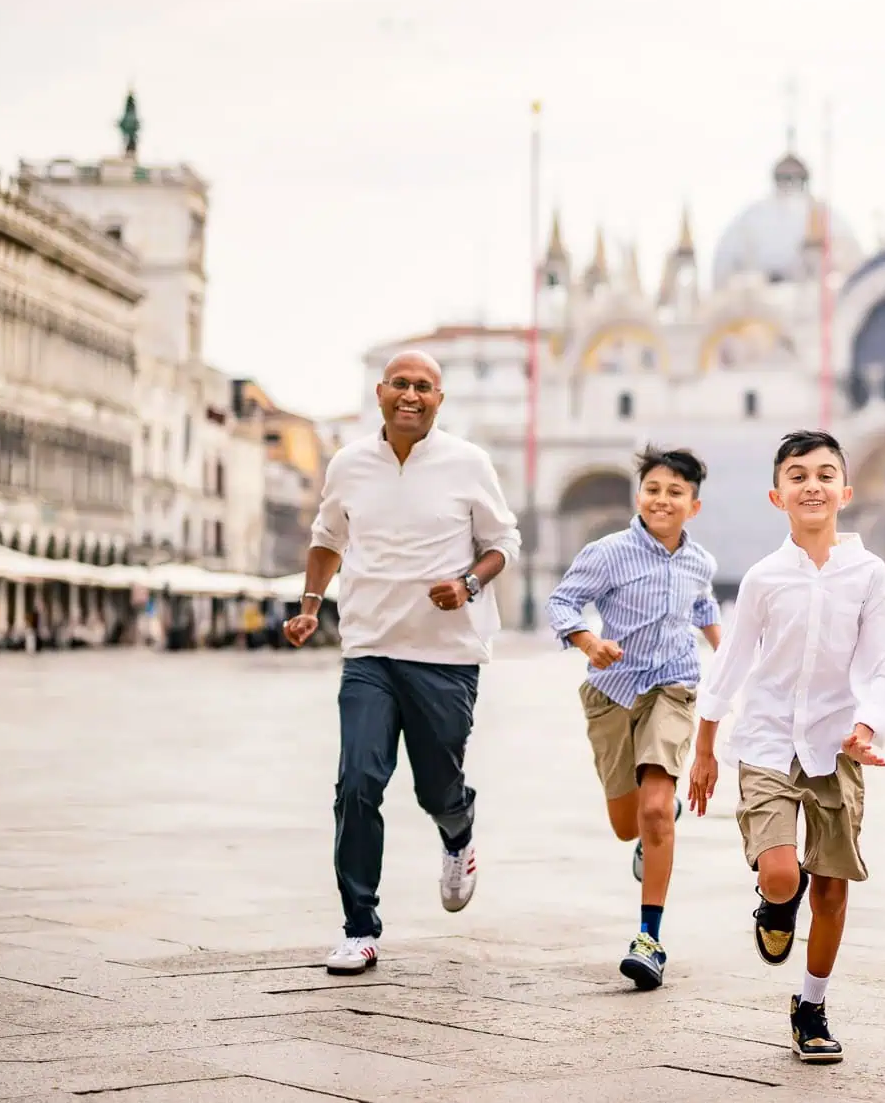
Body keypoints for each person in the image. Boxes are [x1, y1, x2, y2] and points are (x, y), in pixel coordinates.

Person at [285, 350, 521, 977]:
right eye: (400, 385)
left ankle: (457, 830)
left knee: (434, 786)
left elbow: (503, 543)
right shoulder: (348, 463)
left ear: (440, 400)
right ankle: (359, 927)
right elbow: (327, 538)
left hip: (446, 656)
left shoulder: (469, 463)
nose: (411, 395)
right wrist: (311, 606)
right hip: (368, 650)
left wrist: (468, 584)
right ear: (381, 392)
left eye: (424, 387)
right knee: (357, 783)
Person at [690, 430, 885, 1065]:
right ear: (777, 495)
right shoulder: (762, 578)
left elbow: (883, 663)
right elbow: (729, 665)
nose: (814, 485)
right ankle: (776, 904)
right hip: (767, 740)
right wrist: (705, 745)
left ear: (846, 490)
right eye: (799, 476)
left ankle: (811, 1006)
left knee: (833, 889)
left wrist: (869, 726)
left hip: (838, 746)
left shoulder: (869, 574)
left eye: (825, 474)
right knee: (784, 874)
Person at [546, 445, 722, 991]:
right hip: (612, 694)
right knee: (629, 825)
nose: (662, 500)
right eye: (653, 489)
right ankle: (650, 830)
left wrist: (730, 654)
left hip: (672, 689)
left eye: (675, 492)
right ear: (638, 495)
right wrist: (588, 641)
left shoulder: (701, 561)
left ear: (694, 505)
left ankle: (649, 939)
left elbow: (703, 607)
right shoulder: (608, 553)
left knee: (655, 810)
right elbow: (563, 603)